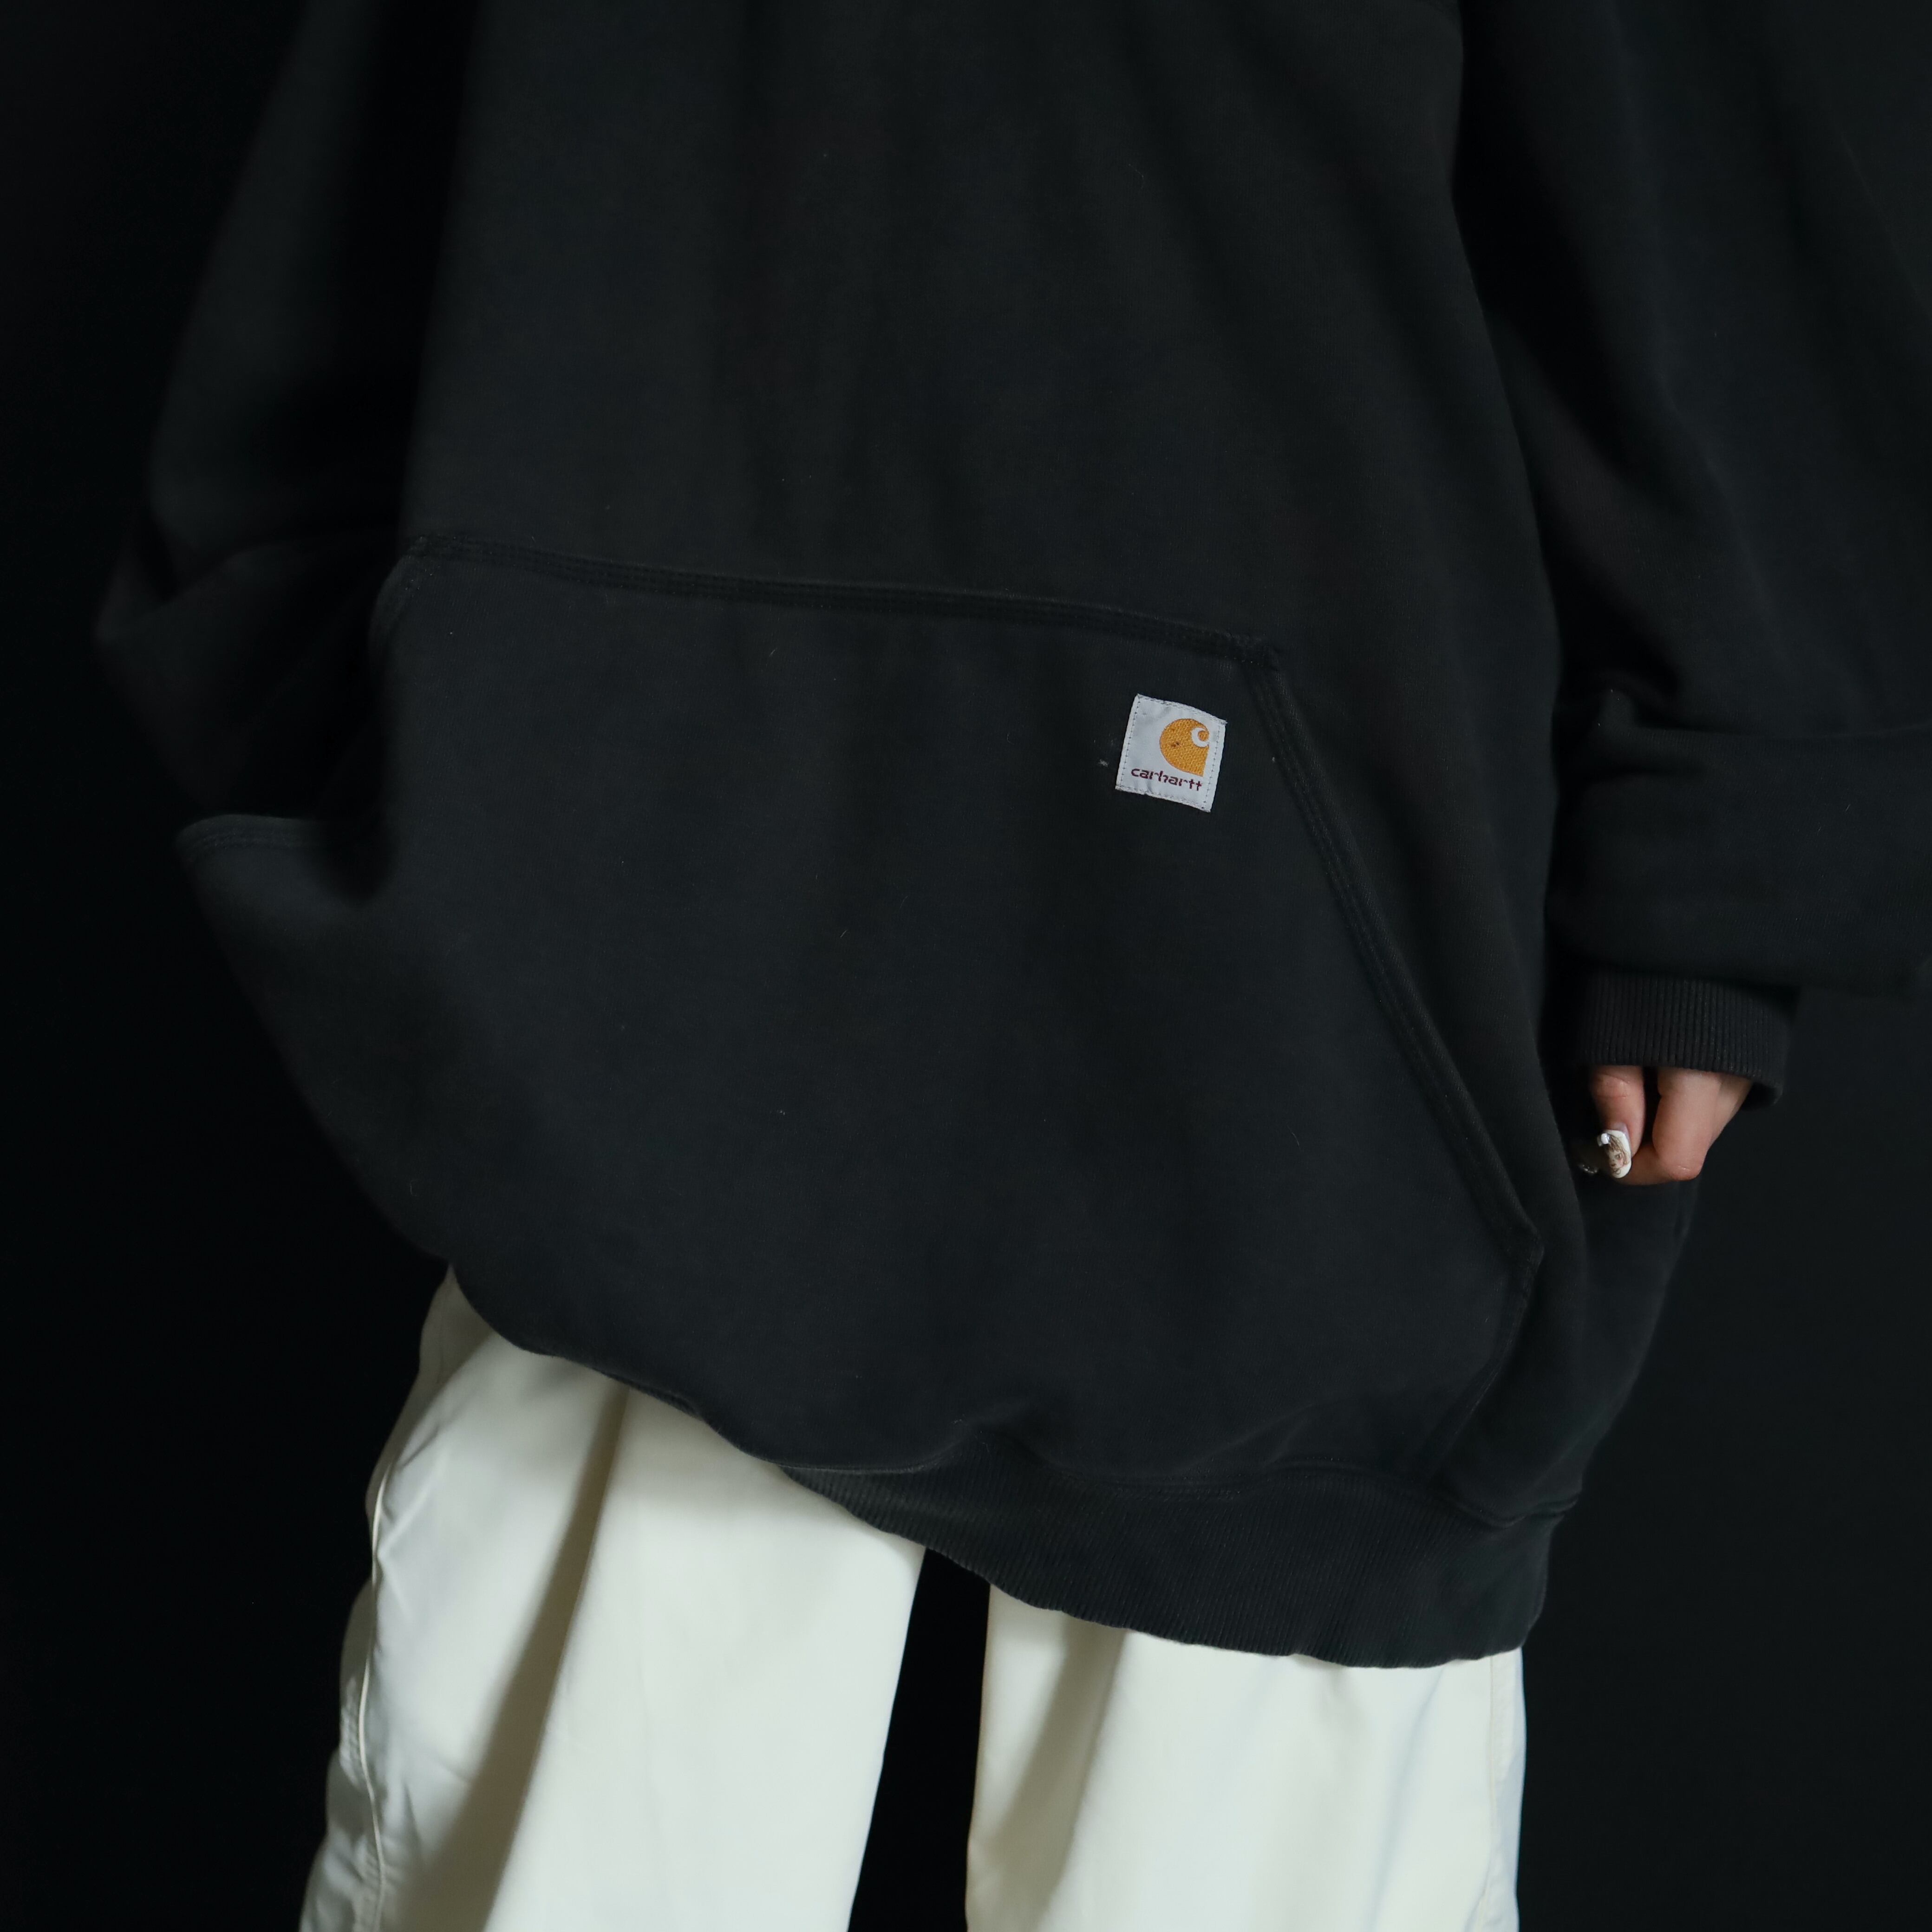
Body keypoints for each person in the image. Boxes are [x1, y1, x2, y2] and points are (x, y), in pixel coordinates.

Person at [100, 1, 1932, 1925]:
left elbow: (1682, 215)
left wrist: (1716, 884)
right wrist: (472, 805)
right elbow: (340, 261)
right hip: (627, 1018)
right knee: (570, 1839)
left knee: (1250, 1819)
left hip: (1294, 1061)